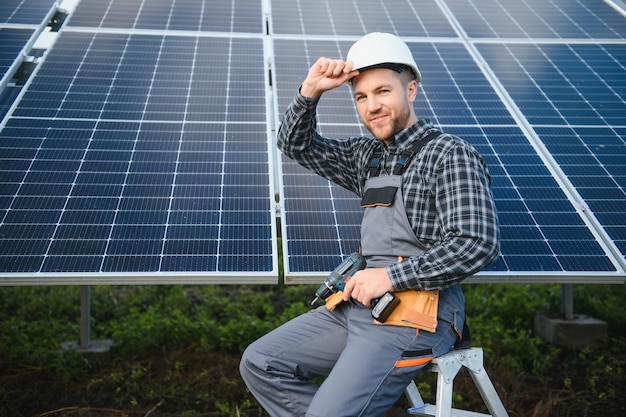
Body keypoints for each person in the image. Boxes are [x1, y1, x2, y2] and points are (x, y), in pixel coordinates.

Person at [239, 32, 499, 417]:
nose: (372, 106)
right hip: (359, 308)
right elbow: (296, 145)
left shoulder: (448, 154)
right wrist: (310, 91)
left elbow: (476, 243)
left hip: (418, 317)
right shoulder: (368, 156)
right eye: (361, 97)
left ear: (410, 89)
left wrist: (390, 277)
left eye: (383, 92)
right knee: (261, 361)